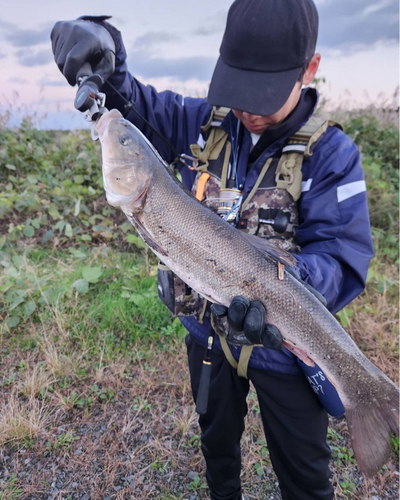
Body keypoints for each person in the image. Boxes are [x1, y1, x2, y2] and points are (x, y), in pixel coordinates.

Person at [51, 1, 374, 499]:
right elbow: (133, 101)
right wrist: (102, 46)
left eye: (262, 94)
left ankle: (367, 397)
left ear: (308, 70)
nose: (247, 109)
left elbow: (342, 256)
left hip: (284, 350)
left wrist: (281, 288)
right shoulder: (200, 124)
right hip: (206, 338)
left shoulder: (332, 155)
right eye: (237, 88)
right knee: (216, 447)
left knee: (305, 474)